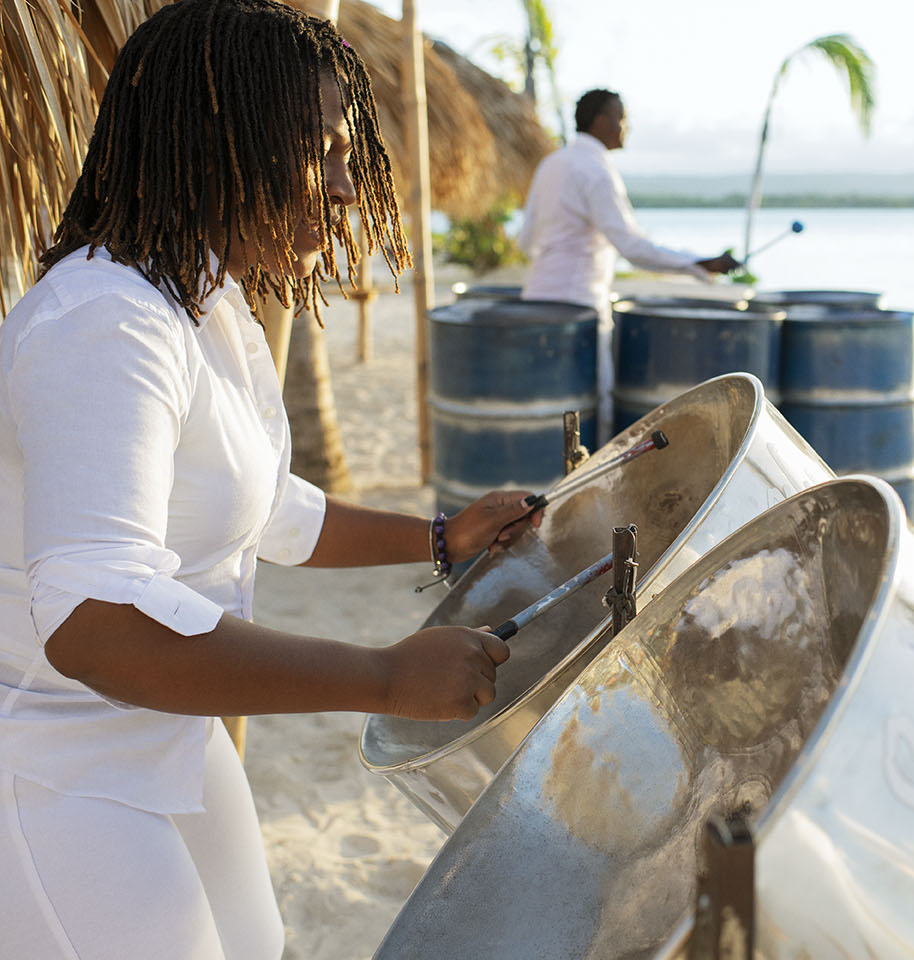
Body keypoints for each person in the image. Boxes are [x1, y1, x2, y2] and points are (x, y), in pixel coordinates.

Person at [0, 2, 542, 957]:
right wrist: (381, 677)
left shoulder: (202, 302)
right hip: (56, 761)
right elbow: (93, 625)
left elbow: (270, 510)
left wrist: (439, 536)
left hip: (166, 734)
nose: (345, 187)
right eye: (322, 150)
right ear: (222, 139)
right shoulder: (103, 323)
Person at [517, 89, 740, 435]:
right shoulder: (596, 171)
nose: (626, 126)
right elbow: (633, 247)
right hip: (578, 308)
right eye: (622, 118)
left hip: (534, 303)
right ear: (602, 121)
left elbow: (526, 239)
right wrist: (700, 263)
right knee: (593, 408)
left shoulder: (551, 164)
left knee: (544, 408)